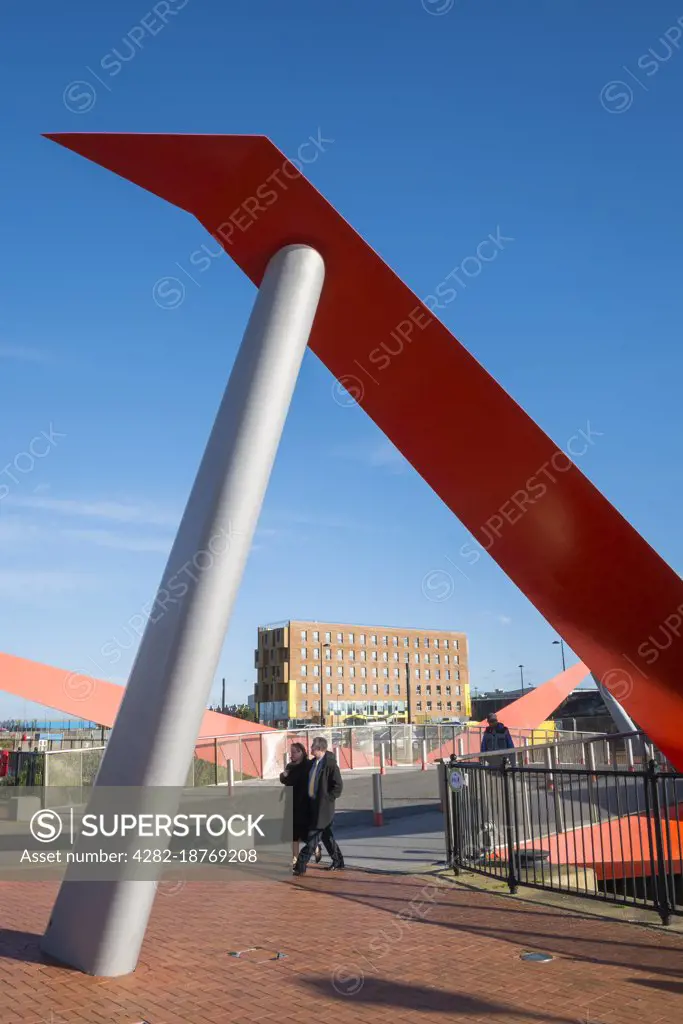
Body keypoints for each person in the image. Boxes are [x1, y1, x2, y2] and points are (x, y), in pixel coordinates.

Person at [293, 736, 344, 875]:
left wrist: (328, 799)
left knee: (313, 837)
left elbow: (338, 786)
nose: (310, 749)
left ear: (320, 749)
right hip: (312, 805)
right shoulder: (313, 763)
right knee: (326, 836)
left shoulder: (330, 764)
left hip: (324, 807)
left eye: (313, 747)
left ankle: (300, 865)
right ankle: (338, 861)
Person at [279, 742, 322, 867]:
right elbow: (284, 780)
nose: (291, 755)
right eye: (291, 752)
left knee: (306, 831)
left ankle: (316, 848)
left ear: (301, 752)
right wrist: (283, 775)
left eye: (294, 752)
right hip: (291, 803)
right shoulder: (290, 766)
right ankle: (294, 857)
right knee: (293, 833)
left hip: (304, 803)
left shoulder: (308, 765)